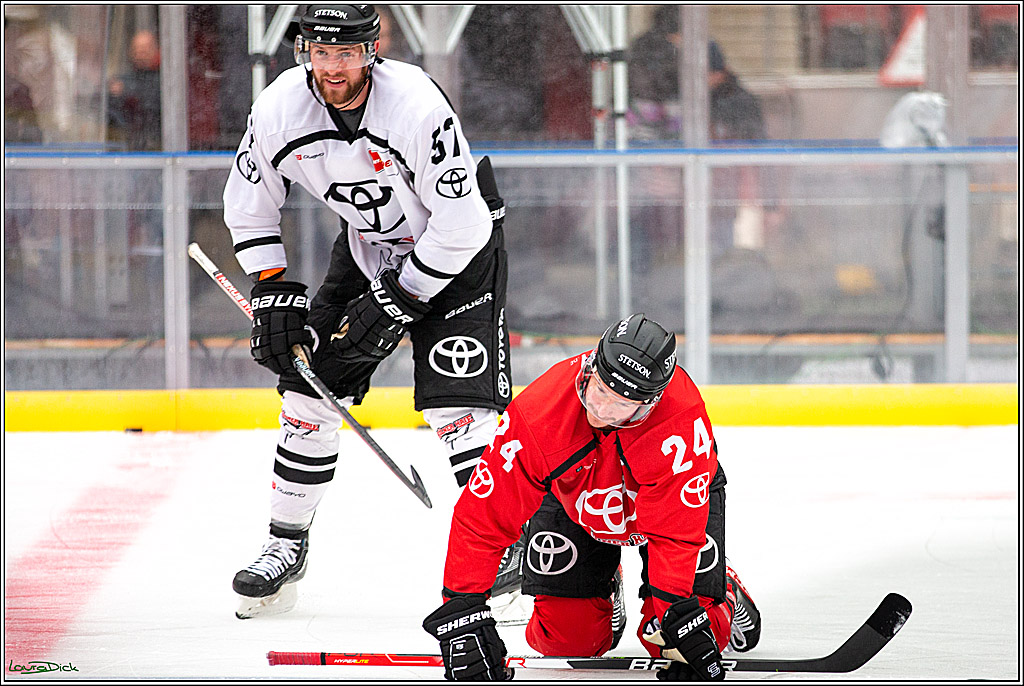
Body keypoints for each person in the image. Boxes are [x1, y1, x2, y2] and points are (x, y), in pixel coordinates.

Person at [222, 4, 513, 619]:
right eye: (321, 52)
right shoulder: (278, 109)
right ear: (304, 51)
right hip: (368, 246)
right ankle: (286, 544)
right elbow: (248, 204)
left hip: (456, 252)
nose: (333, 67)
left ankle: (503, 550)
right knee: (308, 385)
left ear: (371, 51)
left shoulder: (413, 104)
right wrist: (271, 287)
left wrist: (403, 296)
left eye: (346, 53)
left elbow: (462, 226)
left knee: (459, 405)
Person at [423, 314, 762, 681]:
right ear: (591, 367)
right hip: (575, 504)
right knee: (565, 641)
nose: (600, 410)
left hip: (670, 511)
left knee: (689, 637)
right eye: (598, 390)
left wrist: (677, 608)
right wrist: (463, 606)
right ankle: (604, 581)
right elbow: (484, 513)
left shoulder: (679, 421)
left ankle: (724, 589)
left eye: (620, 404)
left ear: (650, 403)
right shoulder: (541, 410)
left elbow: (674, 533)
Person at [107, 30, 162, 151]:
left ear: (156, 50)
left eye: (145, 48)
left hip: (157, 143)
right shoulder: (125, 78)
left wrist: (126, 90)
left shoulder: (164, 79)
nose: (140, 53)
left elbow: (153, 101)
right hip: (129, 143)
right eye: (137, 49)